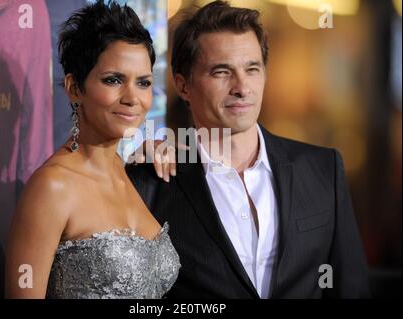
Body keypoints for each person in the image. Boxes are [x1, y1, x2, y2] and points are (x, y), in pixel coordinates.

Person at [126, 1, 370, 298]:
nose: (242, 87)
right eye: (221, 72)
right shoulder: (151, 182)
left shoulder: (323, 169)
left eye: (252, 69)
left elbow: (351, 289)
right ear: (183, 86)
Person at [5, 1, 180, 299]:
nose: (132, 98)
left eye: (143, 82)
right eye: (113, 80)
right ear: (75, 88)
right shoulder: (53, 187)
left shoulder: (130, 173)